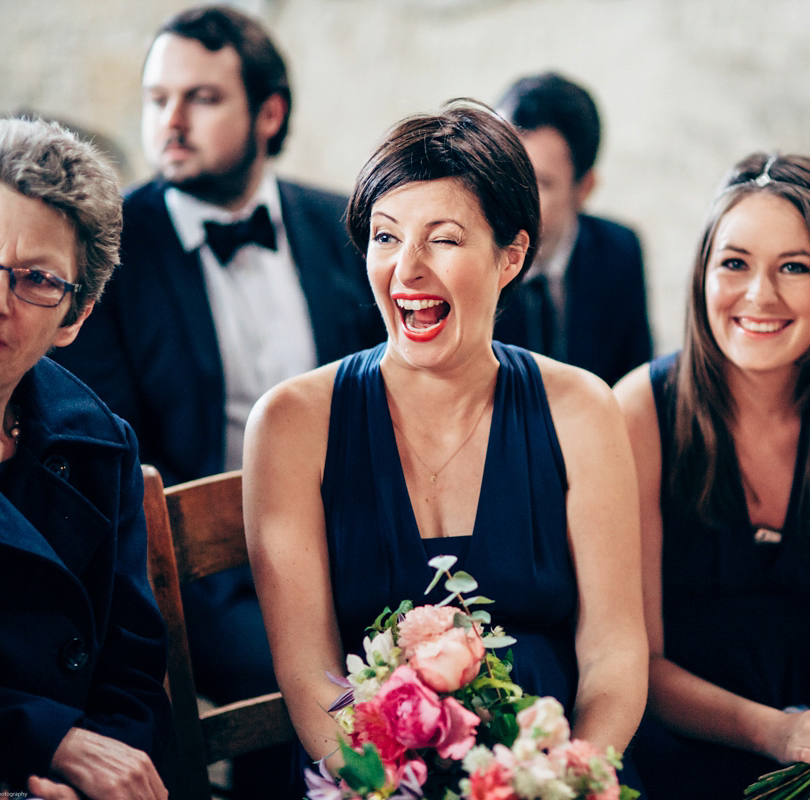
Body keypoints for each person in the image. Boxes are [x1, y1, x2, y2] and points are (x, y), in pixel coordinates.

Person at [243, 101, 648, 783]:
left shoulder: (582, 411)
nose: (408, 270)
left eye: (445, 239)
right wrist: (387, 791)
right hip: (363, 780)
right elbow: (308, 672)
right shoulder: (290, 422)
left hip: (550, 777)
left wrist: (571, 778)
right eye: (385, 237)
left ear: (511, 255)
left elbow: (614, 653)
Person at [50, 6, 384, 796]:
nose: (170, 119)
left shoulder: (345, 225)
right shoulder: (109, 249)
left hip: (361, 541)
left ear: (268, 113)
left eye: (200, 98)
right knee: (313, 672)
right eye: (157, 97)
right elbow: (111, 446)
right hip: (203, 574)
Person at [615, 153, 810, 799]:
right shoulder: (638, 410)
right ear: (702, 275)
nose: (760, 294)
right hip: (681, 718)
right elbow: (633, 662)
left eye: (795, 268)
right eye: (735, 262)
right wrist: (776, 734)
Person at [0, 118, 169, 798]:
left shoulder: (99, 444)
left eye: (38, 280)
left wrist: (92, 780)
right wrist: (49, 738)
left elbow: (133, 672)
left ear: (73, 321)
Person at [493, 71, 652, 386]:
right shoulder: (459, 253)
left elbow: (635, 387)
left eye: (539, 182)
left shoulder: (620, 252)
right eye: (500, 170)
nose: (508, 196)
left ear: (584, 188)